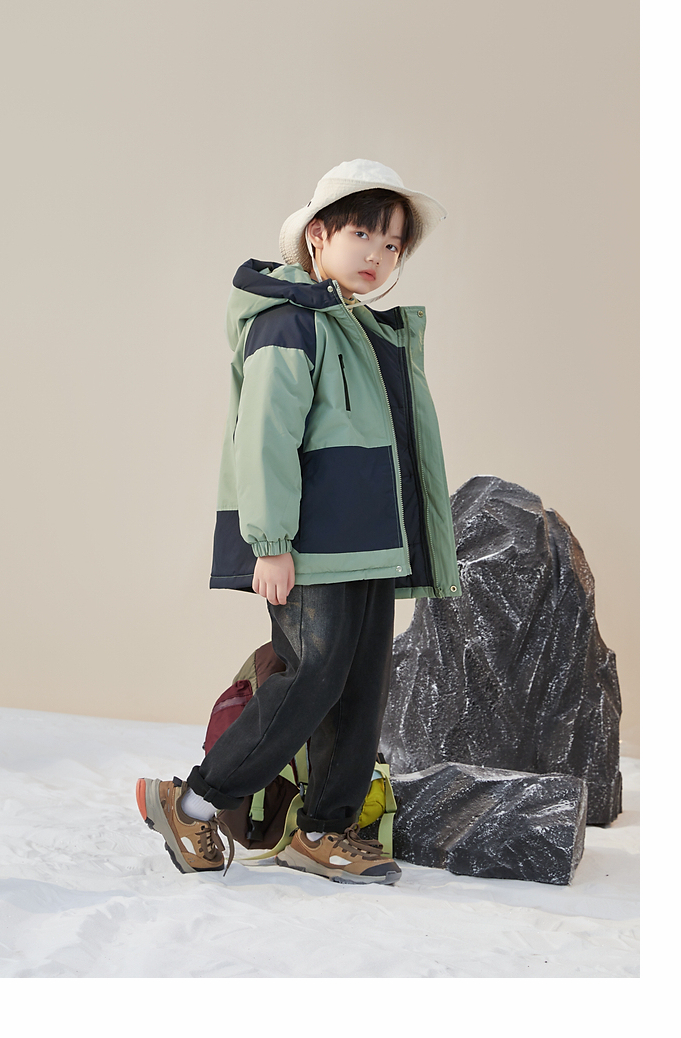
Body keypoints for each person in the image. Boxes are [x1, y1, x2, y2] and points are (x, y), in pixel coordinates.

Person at [137, 159, 462, 885]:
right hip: (311, 548)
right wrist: (271, 543)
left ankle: (324, 830)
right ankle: (192, 804)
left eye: (392, 245)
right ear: (318, 235)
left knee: (361, 691)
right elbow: (264, 439)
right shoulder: (288, 322)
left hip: (370, 548)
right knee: (311, 678)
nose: (378, 255)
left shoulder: (366, 332)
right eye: (362, 234)